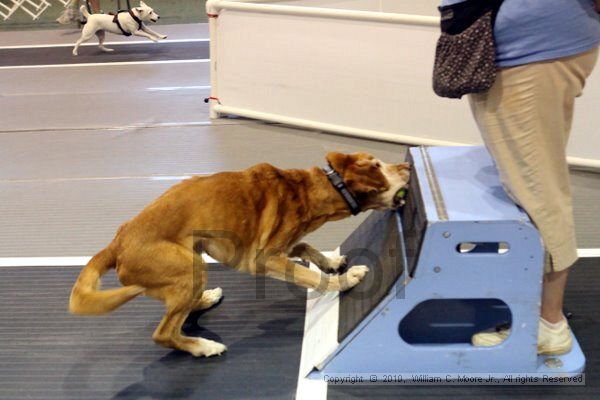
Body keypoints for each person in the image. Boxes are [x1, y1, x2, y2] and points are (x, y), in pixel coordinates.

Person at [438, 0, 600, 354]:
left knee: (539, 188)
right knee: (529, 182)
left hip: (532, 52)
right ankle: (539, 309)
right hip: (524, 50)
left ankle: (549, 323)